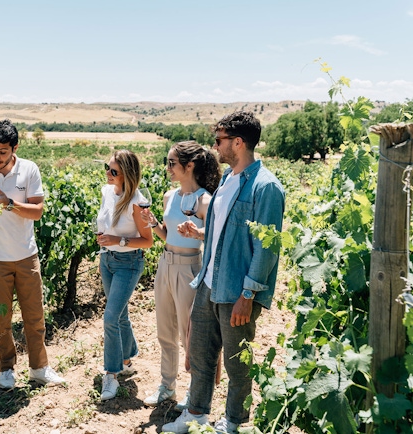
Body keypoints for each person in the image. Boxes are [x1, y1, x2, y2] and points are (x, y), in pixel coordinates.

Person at [162, 111, 285, 433]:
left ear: (238, 142)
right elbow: (228, 234)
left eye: (219, 141)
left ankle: (234, 423)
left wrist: (249, 294)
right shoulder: (228, 180)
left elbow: (267, 248)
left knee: (237, 364)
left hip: (236, 289)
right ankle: (196, 415)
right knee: (201, 356)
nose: (215, 148)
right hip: (208, 281)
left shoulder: (265, 186)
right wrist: (201, 234)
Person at [0, 119, 65, 389]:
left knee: (34, 315)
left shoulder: (29, 170)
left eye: (2, 152)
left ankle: (39, 368)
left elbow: (37, 211)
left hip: (25, 255)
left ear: (14, 148)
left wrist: (9, 204)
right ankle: (6, 368)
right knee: (0, 317)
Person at [141, 142, 221, 408]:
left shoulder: (205, 201)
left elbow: (215, 239)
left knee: (190, 334)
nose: (168, 168)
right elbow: (168, 234)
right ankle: (167, 385)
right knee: (165, 328)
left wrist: (197, 233)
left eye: (172, 163)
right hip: (165, 264)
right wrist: (153, 224)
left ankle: (193, 390)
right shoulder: (169, 196)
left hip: (189, 267)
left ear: (190, 166)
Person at [95, 150, 153, 401]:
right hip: (107, 260)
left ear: (127, 175)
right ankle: (128, 358)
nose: (108, 173)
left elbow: (147, 241)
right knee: (120, 315)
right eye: (107, 168)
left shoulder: (137, 203)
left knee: (110, 317)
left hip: (128, 263)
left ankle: (112, 373)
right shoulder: (107, 192)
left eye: (114, 171)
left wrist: (117, 239)